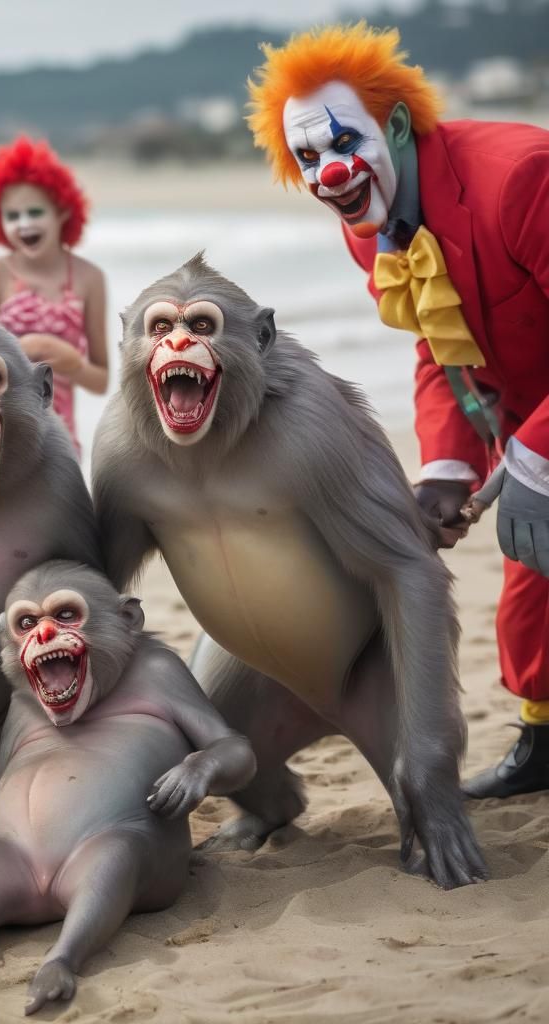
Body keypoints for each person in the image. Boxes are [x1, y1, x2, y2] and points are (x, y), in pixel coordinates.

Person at [246, 23, 549, 798]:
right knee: (531, 589)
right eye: (308, 158)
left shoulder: (522, 178)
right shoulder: (368, 227)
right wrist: (448, 468)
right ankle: (545, 743)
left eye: (344, 141)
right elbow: (439, 343)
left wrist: (535, 457)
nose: (329, 171)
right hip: (528, 411)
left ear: (399, 126)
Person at [0, 135, 108, 455]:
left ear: (63, 211)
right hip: (2, 436)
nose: (24, 224)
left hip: (61, 440)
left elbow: (101, 381)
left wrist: (74, 364)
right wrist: (18, 354)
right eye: (12, 216)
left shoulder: (89, 278)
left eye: (35, 212)